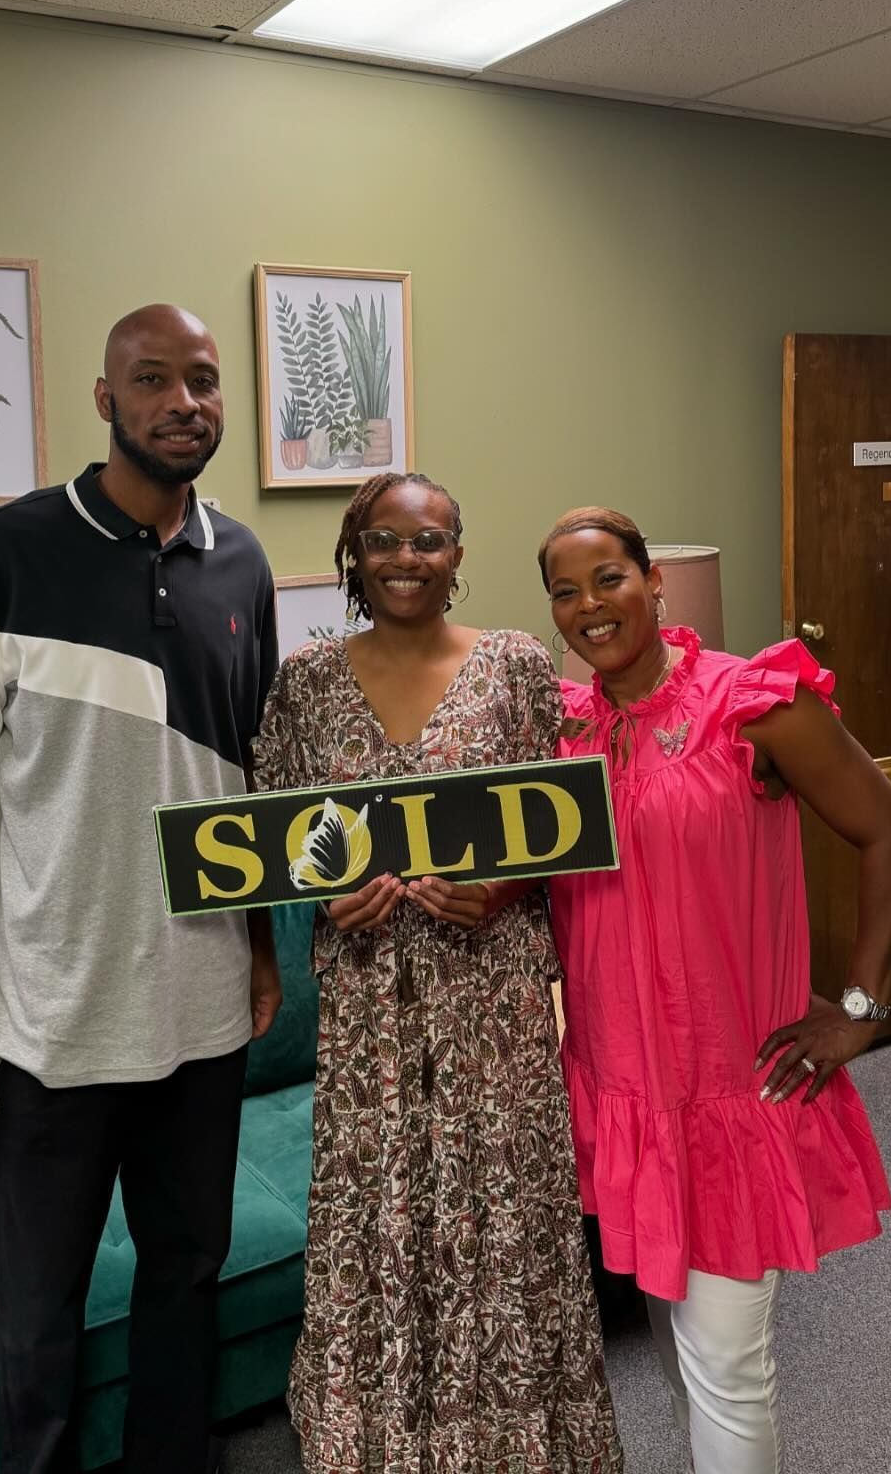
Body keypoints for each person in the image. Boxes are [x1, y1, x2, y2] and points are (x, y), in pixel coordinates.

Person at [0, 304, 283, 1474]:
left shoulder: (243, 563)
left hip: (202, 1008)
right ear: (106, 400)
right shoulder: (1, 555)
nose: (183, 403)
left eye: (202, 380)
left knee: (186, 1277)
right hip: (46, 1018)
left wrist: (262, 946)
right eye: (153, 380)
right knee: (37, 1309)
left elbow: (249, 774)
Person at [253, 473, 623, 1474]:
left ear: (457, 554)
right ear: (354, 553)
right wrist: (326, 896)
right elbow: (275, 838)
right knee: (377, 1211)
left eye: (427, 540)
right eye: (382, 540)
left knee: (504, 1210)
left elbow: (569, 818)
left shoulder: (515, 665)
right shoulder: (306, 683)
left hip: (492, 1001)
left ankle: (522, 1444)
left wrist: (502, 889)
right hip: (370, 1006)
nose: (405, 559)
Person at [539, 507, 891, 1474]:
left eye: (610, 578)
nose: (590, 605)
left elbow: (890, 832)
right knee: (677, 1350)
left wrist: (862, 1008)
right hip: (627, 1090)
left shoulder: (750, 703)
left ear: (654, 582)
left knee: (726, 1366)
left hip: (730, 1090)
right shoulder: (563, 730)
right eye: (566, 591)